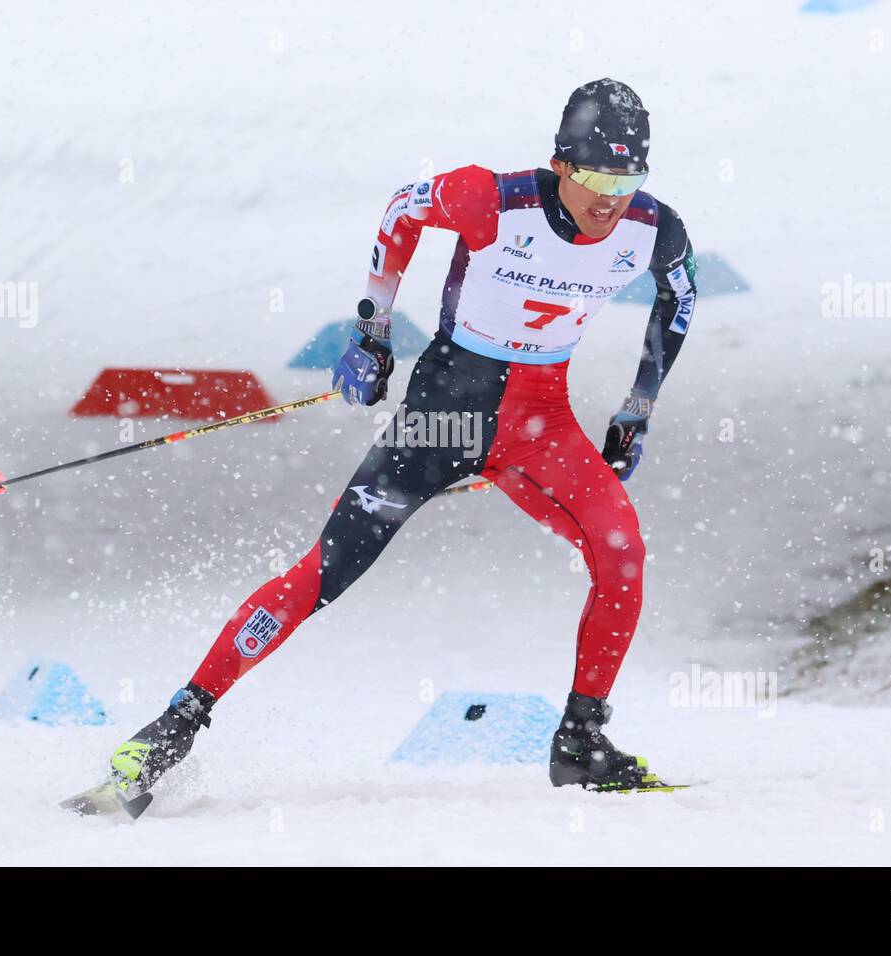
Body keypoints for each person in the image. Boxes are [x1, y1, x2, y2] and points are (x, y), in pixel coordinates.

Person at [107, 78, 698, 797]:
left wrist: (637, 408)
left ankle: (580, 740)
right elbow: (404, 208)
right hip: (442, 415)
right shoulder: (493, 198)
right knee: (328, 571)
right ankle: (174, 725)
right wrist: (373, 330)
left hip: (541, 425)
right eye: (601, 177)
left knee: (621, 551)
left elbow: (679, 297)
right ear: (563, 164)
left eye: (629, 178)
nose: (613, 198)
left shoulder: (653, 227)